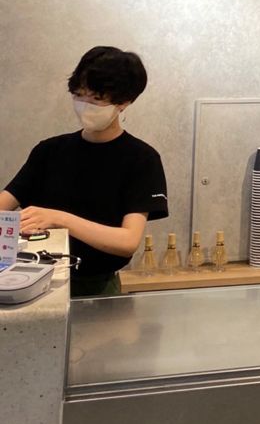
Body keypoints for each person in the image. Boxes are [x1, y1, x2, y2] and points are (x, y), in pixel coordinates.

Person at [0, 46, 168, 297]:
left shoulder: (141, 159)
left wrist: (61, 219)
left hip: (96, 288)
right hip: (33, 280)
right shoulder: (49, 150)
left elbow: (127, 242)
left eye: (97, 100)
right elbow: (5, 202)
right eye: (79, 95)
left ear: (124, 102)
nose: (84, 106)